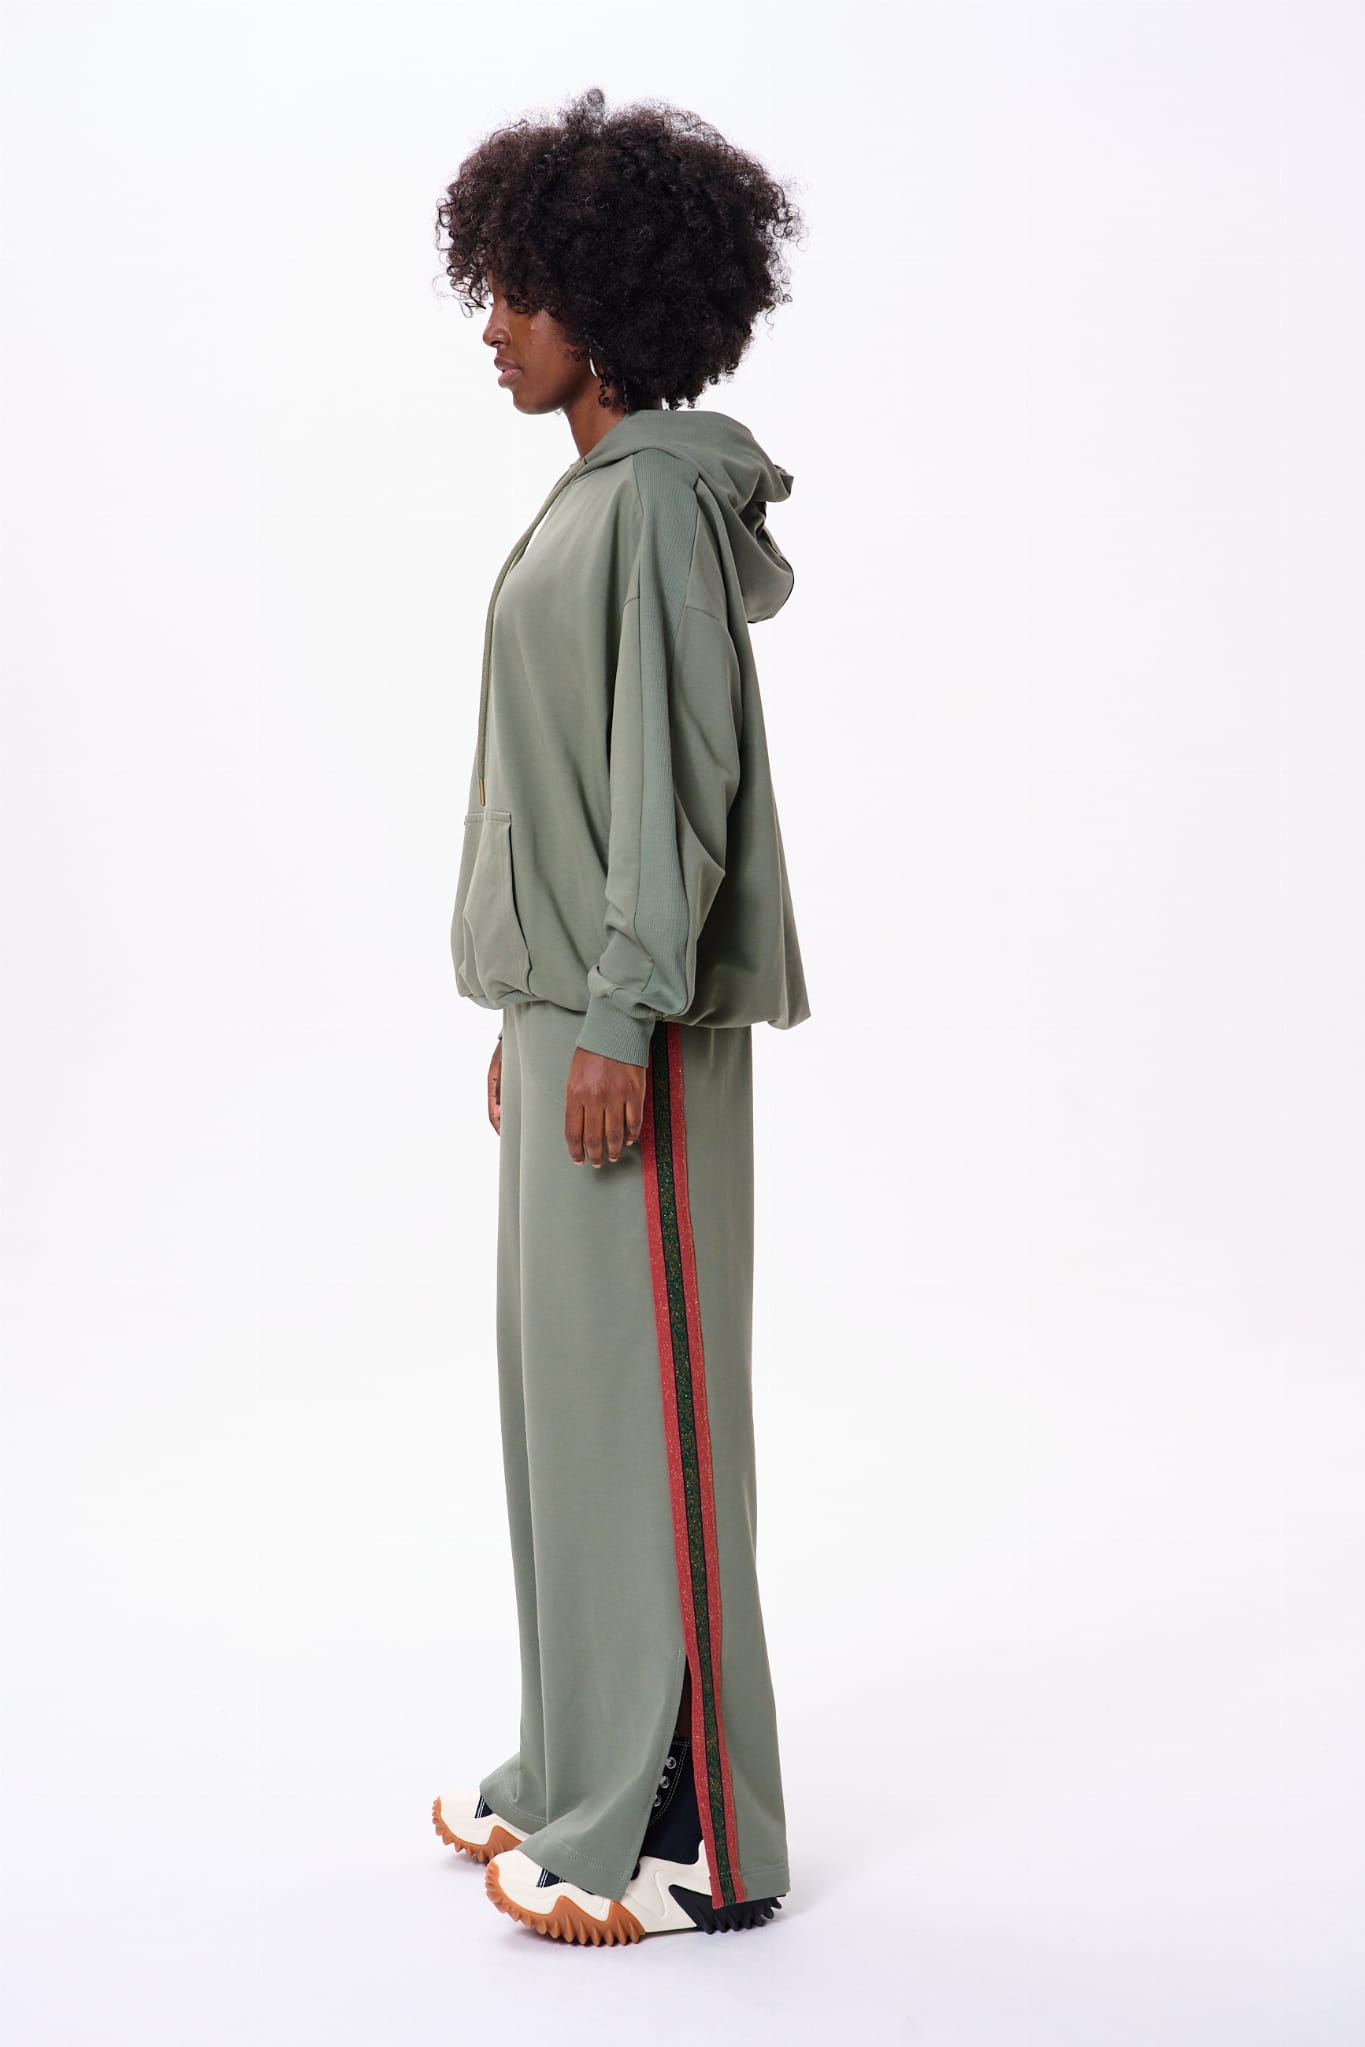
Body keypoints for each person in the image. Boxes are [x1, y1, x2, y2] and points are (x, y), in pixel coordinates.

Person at [429, 86, 811, 1946]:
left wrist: (617, 1015)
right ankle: (578, 1761)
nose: (491, 326)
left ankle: (690, 1846)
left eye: (517, 293)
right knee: (568, 1414)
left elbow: (671, 775)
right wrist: (536, 1005)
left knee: (648, 1415)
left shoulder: (651, 498)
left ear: (604, 299)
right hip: (563, 1011)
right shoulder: (595, 496)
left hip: (621, 1021)